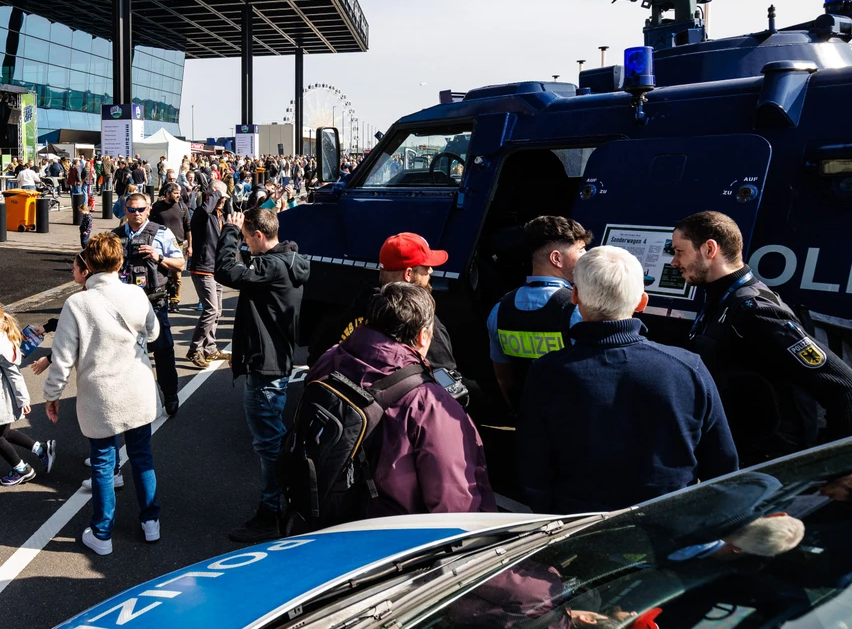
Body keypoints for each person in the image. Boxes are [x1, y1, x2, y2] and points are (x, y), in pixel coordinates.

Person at [516, 246, 739, 514]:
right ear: (642, 301)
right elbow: (722, 465)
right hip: (666, 527)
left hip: (578, 528)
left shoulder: (547, 371)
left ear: (575, 295)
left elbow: (532, 465)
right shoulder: (688, 368)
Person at [672, 210, 852, 465]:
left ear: (709, 249)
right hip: (737, 460)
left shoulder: (757, 312)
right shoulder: (719, 302)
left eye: (680, 251)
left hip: (767, 469)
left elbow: (843, 387)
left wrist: (835, 467)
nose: (674, 262)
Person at [307, 282, 497, 516]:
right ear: (423, 336)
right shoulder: (429, 403)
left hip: (319, 514)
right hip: (387, 537)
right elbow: (455, 506)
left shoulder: (331, 357)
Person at [44, 234, 162, 556]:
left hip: (101, 395)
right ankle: (150, 522)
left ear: (88, 265)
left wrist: (52, 394)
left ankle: (102, 533)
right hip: (137, 388)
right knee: (142, 456)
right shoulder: (136, 293)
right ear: (120, 263)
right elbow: (153, 332)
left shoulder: (77, 304)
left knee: (102, 463)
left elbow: (63, 358)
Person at [215, 207, 311, 542]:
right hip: (275, 361)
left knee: (269, 444)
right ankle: (283, 503)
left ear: (258, 235)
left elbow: (226, 271)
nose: (245, 243)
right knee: (273, 439)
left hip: (266, 370)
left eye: (246, 238)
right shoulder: (287, 260)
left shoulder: (270, 267)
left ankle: (272, 511)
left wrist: (228, 229)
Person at [310, 233, 457, 373]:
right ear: (408, 274)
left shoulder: (358, 303)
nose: (431, 271)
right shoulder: (419, 319)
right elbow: (444, 373)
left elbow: (319, 354)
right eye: (426, 267)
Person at [487, 215, 590, 410]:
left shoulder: (499, 309)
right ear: (556, 258)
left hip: (528, 420)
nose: (586, 255)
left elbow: (503, 378)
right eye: (581, 250)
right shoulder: (579, 309)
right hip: (572, 421)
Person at [112, 191, 186, 415]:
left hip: (153, 303)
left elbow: (180, 264)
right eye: (132, 209)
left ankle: (170, 394)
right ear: (125, 210)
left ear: (149, 209)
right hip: (123, 305)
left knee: (163, 351)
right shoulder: (115, 236)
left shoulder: (161, 234)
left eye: (141, 209)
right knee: (123, 354)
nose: (137, 214)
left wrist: (158, 257)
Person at [0, 300, 56, 486]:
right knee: (6, 432)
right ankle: (41, 449)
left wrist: (23, 400)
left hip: (2, 399)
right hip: (0, 396)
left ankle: (22, 469)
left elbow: (15, 376)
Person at [186, 180, 228, 369]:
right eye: (220, 197)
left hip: (216, 268)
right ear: (212, 195)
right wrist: (216, 194)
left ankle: (210, 348)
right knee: (210, 310)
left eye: (224, 198)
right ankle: (195, 350)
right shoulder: (201, 215)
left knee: (217, 311)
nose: (223, 201)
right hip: (203, 268)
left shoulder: (219, 215)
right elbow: (203, 211)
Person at [149, 182, 191, 310]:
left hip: (177, 244)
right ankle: (162, 297)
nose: (179, 195)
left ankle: (175, 300)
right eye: (176, 193)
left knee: (176, 275)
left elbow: (188, 228)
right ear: (167, 194)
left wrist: (190, 246)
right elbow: (149, 224)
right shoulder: (157, 207)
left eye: (179, 193)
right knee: (161, 273)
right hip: (159, 245)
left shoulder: (182, 207)